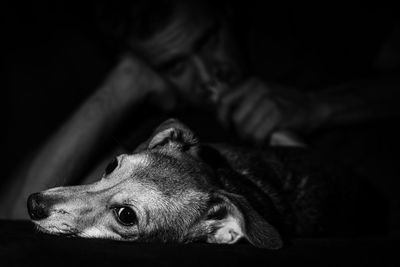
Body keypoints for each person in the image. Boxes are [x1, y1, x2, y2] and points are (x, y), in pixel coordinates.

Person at [1, 0, 399, 219]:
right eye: (177, 65)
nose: (210, 73)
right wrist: (122, 85)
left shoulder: (302, 32)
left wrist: (318, 107)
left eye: (208, 40)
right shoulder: (161, 147)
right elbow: (11, 220)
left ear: (226, 12)